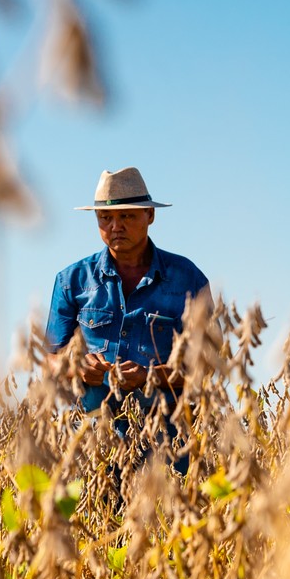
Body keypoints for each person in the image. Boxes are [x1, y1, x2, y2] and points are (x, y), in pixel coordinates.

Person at [46, 166, 209, 474]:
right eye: (105, 218)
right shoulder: (72, 281)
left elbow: (209, 364)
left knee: (165, 505)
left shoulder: (188, 279)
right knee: (93, 505)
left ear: (150, 215)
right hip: (95, 440)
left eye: (127, 216)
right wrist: (76, 366)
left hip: (168, 442)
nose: (115, 226)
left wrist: (151, 376)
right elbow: (49, 359)